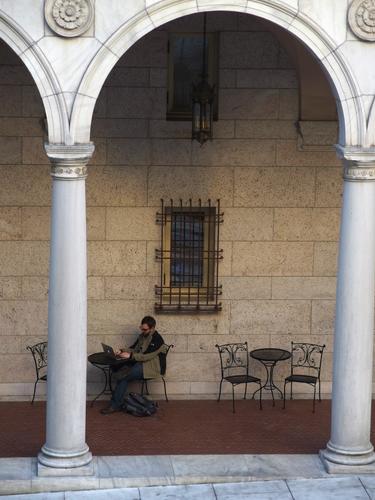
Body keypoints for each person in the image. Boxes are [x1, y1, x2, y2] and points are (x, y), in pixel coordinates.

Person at [101, 315, 166, 415]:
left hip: (151, 367)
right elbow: (134, 348)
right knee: (119, 369)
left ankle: (115, 404)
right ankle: (117, 400)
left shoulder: (157, 339)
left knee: (124, 376)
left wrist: (130, 355)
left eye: (145, 329)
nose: (142, 331)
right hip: (140, 363)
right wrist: (122, 351)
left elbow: (146, 356)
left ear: (152, 328)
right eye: (141, 328)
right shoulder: (142, 336)